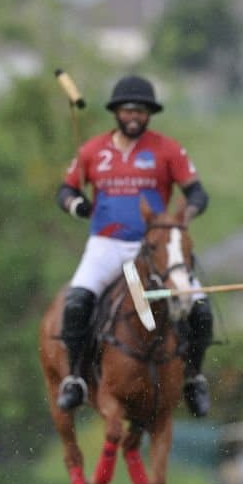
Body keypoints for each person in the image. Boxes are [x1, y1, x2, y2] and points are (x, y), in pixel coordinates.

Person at [53, 75, 214, 417]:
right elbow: (65, 191)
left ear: (149, 114)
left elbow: (197, 192)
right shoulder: (92, 151)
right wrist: (78, 206)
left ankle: (194, 378)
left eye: (141, 110)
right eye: (128, 109)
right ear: (116, 112)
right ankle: (76, 380)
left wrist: (186, 215)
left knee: (200, 309)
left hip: (154, 250)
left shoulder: (167, 149)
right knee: (78, 302)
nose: (134, 116)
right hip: (106, 245)